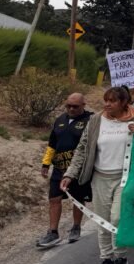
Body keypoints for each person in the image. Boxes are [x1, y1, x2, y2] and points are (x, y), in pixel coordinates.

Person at [60, 86, 134, 264]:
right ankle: (106, 259)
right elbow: (83, 148)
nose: (107, 104)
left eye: (112, 101)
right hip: (100, 178)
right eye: (105, 100)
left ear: (123, 102)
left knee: (116, 218)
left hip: (125, 178)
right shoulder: (96, 120)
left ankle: (120, 258)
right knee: (102, 220)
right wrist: (70, 174)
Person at [37, 93, 93, 249]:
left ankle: (76, 227)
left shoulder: (90, 120)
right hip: (59, 168)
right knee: (54, 199)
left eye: (75, 106)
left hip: (78, 169)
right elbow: (52, 144)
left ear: (83, 105)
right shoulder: (60, 120)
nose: (71, 109)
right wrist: (46, 163)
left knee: (78, 199)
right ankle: (53, 232)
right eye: (68, 106)